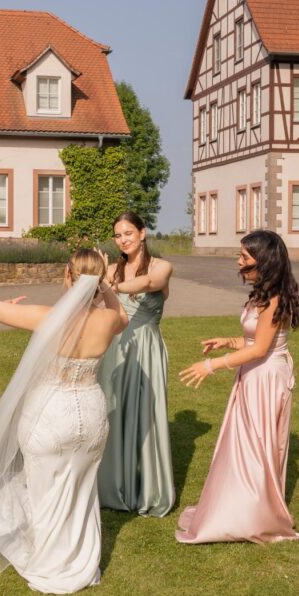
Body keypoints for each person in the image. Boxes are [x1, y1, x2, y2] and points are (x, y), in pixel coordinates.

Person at [0, 244, 128, 595]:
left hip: (50, 416)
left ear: (67, 275)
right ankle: (80, 561)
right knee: (81, 490)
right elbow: (123, 316)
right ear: (98, 280)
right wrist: (104, 284)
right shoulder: (107, 320)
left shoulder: (48, 317)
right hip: (91, 415)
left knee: (44, 491)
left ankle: (50, 564)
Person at [175, 229, 299, 545]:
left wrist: (210, 366)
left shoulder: (275, 300)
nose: (239, 261)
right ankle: (241, 504)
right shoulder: (261, 295)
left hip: (266, 379)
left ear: (264, 261)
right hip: (253, 373)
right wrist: (227, 341)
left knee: (257, 444)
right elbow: (254, 339)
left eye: (244, 257)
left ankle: (256, 514)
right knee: (245, 442)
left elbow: (260, 349)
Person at [97, 211, 175, 517]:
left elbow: (150, 283)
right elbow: (100, 306)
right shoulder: (111, 271)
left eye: (128, 233)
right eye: (117, 235)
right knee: (113, 410)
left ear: (143, 233)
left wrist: (112, 285)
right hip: (116, 347)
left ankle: (148, 487)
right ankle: (113, 485)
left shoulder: (162, 267)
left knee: (146, 414)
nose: (122, 240)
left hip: (147, 347)